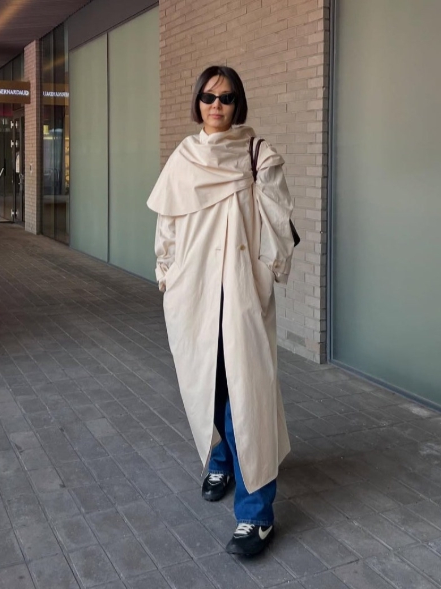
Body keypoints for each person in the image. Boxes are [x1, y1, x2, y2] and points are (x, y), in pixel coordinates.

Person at [147, 65, 295, 556]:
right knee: (205, 386)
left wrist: (264, 279)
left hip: (240, 295)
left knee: (247, 398)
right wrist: (167, 277)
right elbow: (167, 226)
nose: (217, 105)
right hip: (192, 294)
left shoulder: (258, 155)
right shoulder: (183, 158)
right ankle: (221, 462)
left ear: (238, 104)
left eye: (226, 97)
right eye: (209, 96)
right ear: (197, 102)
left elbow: (278, 226)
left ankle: (257, 514)